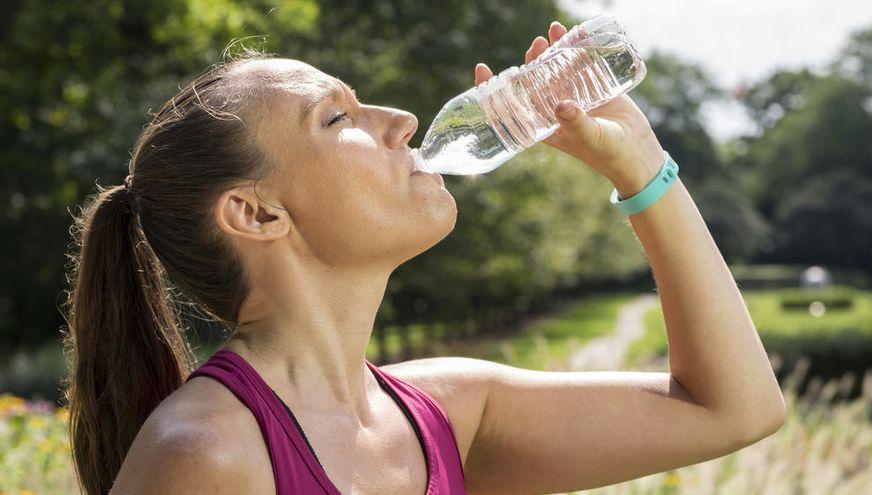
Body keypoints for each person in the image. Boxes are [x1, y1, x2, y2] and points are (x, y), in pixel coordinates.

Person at [62, 20, 786, 495]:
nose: (403, 120)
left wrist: (643, 168)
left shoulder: (444, 412)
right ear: (256, 213)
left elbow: (733, 408)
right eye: (339, 116)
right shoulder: (205, 457)